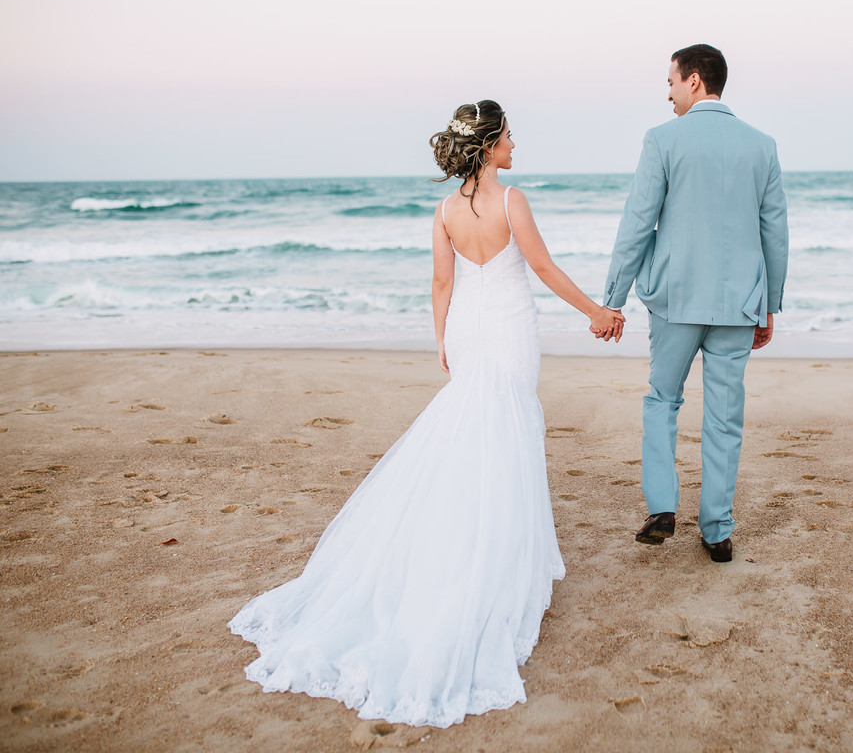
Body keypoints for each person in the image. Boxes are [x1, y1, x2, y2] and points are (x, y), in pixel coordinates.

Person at [229, 100, 624, 727]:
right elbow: (541, 267)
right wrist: (597, 313)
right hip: (508, 329)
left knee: (473, 432)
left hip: (469, 329)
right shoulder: (511, 199)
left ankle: (463, 535)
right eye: (510, 137)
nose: (516, 145)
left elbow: (441, 285)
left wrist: (442, 340)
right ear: (491, 144)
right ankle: (489, 556)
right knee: (506, 430)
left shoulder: (443, 212)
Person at [601, 44, 789, 563]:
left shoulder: (662, 140)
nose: (667, 93)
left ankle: (662, 508)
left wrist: (613, 299)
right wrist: (770, 303)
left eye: (671, 82)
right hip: (737, 305)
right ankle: (717, 531)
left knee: (662, 399)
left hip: (676, 299)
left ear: (695, 82)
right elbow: (774, 230)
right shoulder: (762, 145)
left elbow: (638, 221)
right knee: (725, 417)